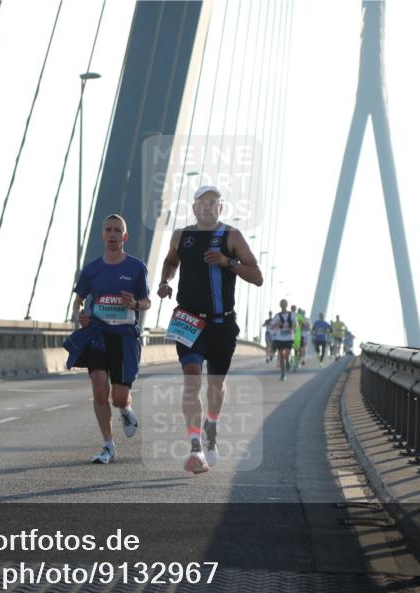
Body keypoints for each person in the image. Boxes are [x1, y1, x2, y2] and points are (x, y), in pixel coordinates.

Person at [157, 185, 263, 474]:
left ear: (221, 207)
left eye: (213, 202)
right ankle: (195, 448)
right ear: (194, 208)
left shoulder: (232, 237)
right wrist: (165, 281)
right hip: (188, 321)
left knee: (215, 385)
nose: (207, 207)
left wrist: (228, 262)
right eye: (202, 203)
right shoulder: (182, 236)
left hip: (221, 323)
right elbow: (170, 261)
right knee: (192, 380)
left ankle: (211, 427)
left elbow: (257, 276)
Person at [65, 214, 151, 464]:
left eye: (117, 230)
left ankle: (125, 409)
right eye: (109, 230)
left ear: (124, 236)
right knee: (100, 389)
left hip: (124, 338)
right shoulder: (91, 269)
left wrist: (135, 303)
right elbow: (78, 301)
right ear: (103, 235)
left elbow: (146, 301)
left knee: (119, 397)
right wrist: (79, 315)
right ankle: (108, 446)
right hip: (98, 335)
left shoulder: (136, 268)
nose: (113, 234)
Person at [269, 300, 296, 380]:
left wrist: (292, 327)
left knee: (286, 354)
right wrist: (277, 324)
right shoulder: (277, 316)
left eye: (285, 304)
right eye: (282, 304)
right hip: (279, 338)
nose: (283, 305)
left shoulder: (292, 315)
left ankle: (287, 360)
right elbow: (271, 326)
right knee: (281, 356)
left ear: (287, 305)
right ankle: (283, 374)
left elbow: (296, 324)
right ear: (280, 305)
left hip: (289, 337)